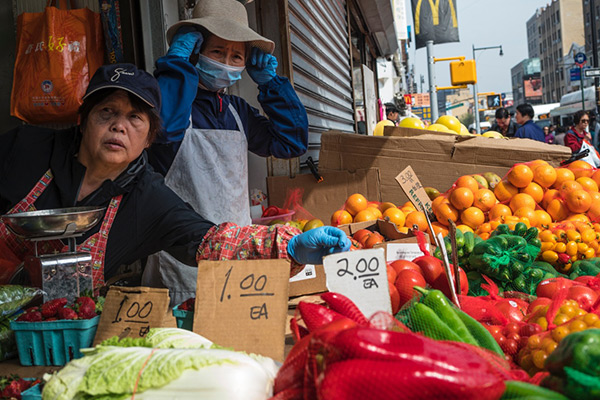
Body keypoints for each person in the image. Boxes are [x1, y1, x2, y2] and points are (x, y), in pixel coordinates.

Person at [0, 63, 349, 298]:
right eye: (107, 111)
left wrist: (287, 246)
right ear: (83, 119)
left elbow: (211, 242)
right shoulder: (24, 148)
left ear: (151, 137)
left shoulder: (147, 198)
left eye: (135, 118)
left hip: (59, 333)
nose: (119, 126)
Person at [144, 0, 310, 303]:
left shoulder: (237, 111)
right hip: (181, 262)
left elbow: (291, 142)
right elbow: (164, 127)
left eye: (237, 56)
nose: (226, 62)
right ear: (196, 53)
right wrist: (176, 66)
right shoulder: (171, 102)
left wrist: (271, 84)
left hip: (237, 255)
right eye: (217, 52)